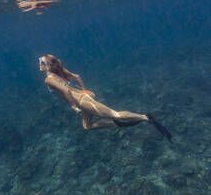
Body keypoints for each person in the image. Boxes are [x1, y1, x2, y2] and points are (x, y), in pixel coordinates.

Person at [39, 54, 172, 142]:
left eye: (42, 62)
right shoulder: (59, 72)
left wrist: (74, 106)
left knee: (116, 114)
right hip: (84, 97)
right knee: (87, 126)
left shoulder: (48, 79)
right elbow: (77, 77)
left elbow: (66, 90)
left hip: (82, 101)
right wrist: (85, 91)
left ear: (47, 66)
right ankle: (117, 125)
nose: (39, 63)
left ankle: (145, 117)